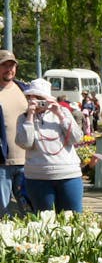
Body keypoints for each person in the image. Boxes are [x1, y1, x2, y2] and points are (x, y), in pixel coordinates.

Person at [15, 78, 84, 213]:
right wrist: (30, 116)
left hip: (68, 175)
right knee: (45, 223)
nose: (36, 101)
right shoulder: (23, 118)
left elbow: (76, 138)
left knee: (74, 220)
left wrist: (59, 114)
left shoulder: (63, 112)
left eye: (40, 98)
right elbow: (25, 143)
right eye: (30, 97)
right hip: (38, 177)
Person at [0, 50, 29, 217]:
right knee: (2, 212)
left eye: (12, 65)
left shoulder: (24, 90)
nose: (9, 69)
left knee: (29, 212)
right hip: (2, 162)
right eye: (4, 65)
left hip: (27, 162)